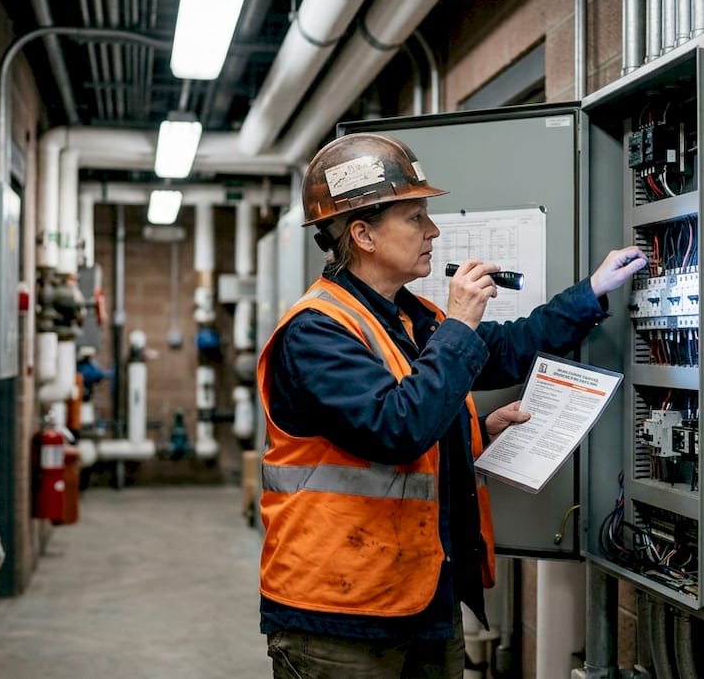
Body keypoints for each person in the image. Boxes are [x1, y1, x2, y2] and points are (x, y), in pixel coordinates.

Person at [257, 132, 647, 678]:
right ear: (364, 234)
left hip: (422, 596)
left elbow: (506, 349)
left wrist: (590, 294)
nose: (434, 230)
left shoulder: (410, 318)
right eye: (416, 217)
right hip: (338, 612)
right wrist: (461, 322)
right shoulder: (316, 332)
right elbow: (395, 429)